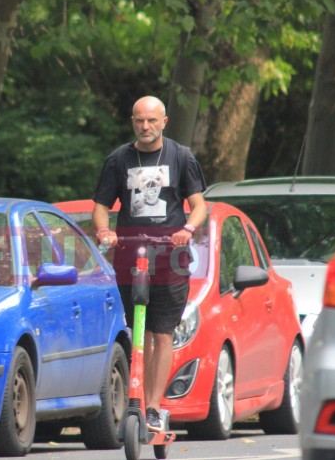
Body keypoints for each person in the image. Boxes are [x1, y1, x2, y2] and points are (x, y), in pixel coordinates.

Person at [92, 95, 207, 432]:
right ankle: (134, 400)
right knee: (135, 330)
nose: (145, 126)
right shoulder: (118, 160)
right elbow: (100, 205)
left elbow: (199, 205)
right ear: (133, 122)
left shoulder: (181, 157)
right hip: (130, 256)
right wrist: (104, 230)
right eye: (140, 120)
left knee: (162, 333)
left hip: (170, 257)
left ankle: (154, 407)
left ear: (164, 122)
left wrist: (187, 229)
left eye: (152, 121)